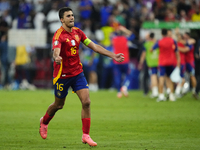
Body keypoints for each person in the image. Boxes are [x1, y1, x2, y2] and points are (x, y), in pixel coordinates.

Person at [39, 7, 124, 147]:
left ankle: (86, 135)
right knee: (59, 105)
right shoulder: (58, 35)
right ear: (62, 19)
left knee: (86, 102)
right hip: (62, 75)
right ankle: (44, 121)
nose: (71, 17)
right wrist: (57, 57)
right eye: (68, 16)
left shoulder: (78, 32)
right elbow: (56, 51)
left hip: (77, 73)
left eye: (72, 15)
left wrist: (113, 55)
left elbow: (95, 47)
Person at [152, 28, 180, 102]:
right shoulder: (172, 41)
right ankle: (171, 95)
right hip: (171, 62)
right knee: (170, 79)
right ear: (167, 33)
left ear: (161, 34)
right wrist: (178, 63)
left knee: (161, 79)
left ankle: (161, 96)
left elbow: (152, 49)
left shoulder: (159, 42)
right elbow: (176, 52)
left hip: (162, 62)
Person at [139, 32, 159, 98]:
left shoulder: (146, 44)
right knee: (159, 77)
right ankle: (161, 91)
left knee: (153, 77)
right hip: (158, 62)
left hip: (150, 63)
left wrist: (140, 63)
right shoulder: (157, 43)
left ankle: (155, 92)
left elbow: (143, 54)